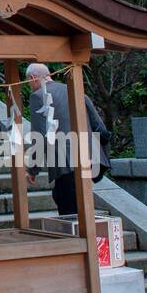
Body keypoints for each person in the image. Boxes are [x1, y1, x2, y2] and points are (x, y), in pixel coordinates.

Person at [27, 62, 111, 215]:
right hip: (91, 158)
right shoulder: (77, 91)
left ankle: (81, 237)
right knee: (79, 204)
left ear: (32, 78)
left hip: (66, 161)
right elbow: (101, 128)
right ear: (49, 75)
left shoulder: (38, 96)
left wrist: (33, 169)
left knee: (68, 207)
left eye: (28, 83)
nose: (30, 87)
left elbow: (39, 136)